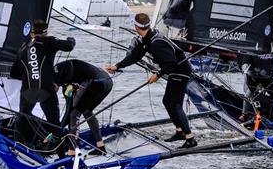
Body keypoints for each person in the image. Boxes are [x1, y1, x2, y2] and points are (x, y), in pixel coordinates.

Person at [106, 13, 197, 149]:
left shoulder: (156, 42)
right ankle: (180, 132)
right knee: (167, 101)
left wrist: (158, 74)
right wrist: (117, 66)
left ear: (136, 26)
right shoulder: (147, 38)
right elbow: (134, 56)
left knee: (175, 104)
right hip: (174, 70)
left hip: (181, 70)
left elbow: (171, 61)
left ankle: (190, 139)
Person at [14, 20, 75, 144]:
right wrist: (71, 39)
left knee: (23, 117)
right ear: (45, 33)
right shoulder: (49, 40)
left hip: (28, 91)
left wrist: (31, 75)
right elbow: (69, 46)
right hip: (46, 90)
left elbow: (14, 73)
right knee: (55, 124)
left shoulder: (22, 47)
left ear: (31, 33)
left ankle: (17, 147)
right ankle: (62, 155)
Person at [54, 59, 113, 156]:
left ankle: (72, 152)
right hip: (107, 81)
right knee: (86, 111)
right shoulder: (58, 73)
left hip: (97, 82)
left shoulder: (65, 82)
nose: (54, 93)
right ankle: (100, 147)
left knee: (74, 114)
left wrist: (56, 131)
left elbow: (69, 112)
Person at [239, 44, 273, 125]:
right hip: (266, 77)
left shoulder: (252, 52)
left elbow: (244, 68)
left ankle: (243, 114)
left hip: (252, 75)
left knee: (250, 91)